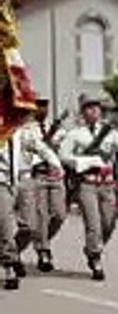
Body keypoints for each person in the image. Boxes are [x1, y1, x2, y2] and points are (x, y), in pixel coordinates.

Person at [58, 95, 118, 281]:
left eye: (96, 107)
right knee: (93, 223)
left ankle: (93, 247)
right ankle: (95, 256)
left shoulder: (110, 132)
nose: (94, 111)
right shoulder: (75, 134)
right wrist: (83, 162)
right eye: (89, 107)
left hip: (107, 183)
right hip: (87, 183)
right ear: (83, 112)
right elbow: (63, 155)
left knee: (109, 223)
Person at [21, 97, 68, 271]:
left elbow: (62, 148)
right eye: (39, 106)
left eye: (45, 106)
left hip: (55, 175)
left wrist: (56, 134)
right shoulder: (27, 129)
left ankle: (42, 239)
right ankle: (43, 250)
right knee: (41, 214)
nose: (43, 109)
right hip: (38, 175)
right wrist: (50, 136)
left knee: (59, 214)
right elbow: (38, 148)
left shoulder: (58, 129)